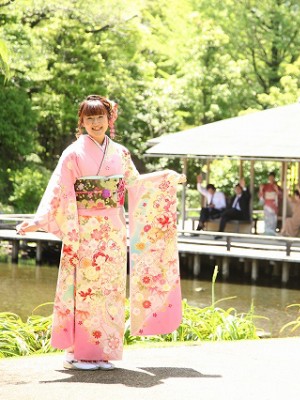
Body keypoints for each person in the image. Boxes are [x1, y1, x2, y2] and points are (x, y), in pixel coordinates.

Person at [16, 95, 184, 371]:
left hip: (114, 230)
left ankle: (104, 351)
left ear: (109, 119)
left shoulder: (121, 153)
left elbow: (134, 184)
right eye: (89, 118)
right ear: (81, 122)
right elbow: (58, 189)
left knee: (111, 290)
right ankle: (80, 352)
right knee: (87, 290)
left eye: (100, 117)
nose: (95, 123)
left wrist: (164, 178)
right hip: (85, 230)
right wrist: (38, 221)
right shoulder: (73, 153)